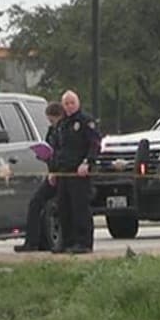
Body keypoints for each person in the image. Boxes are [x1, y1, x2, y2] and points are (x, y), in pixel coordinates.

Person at [51, 90, 101, 254]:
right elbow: (57, 149)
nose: (69, 106)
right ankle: (67, 242)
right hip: (63, 172)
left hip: (79, 172)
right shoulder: (61, 124)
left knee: (80, 208)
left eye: (72, 103)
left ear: (78, 103)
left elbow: (94, 144)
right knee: (63, 207)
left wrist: (87, 162)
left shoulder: (86, 121)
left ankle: (84, 242)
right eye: (66, 103)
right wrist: (53, 171)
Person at [14, 102, 64, 253]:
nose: (51, 123)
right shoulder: (52, 131)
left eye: (52, 120)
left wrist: (56, 167)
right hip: (51, 173)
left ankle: (62, 242)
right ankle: (31, 241)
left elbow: (64, 152)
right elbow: (49, 148)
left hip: (63, 174)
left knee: (63, 207)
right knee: (35, 202)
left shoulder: (64, 130)